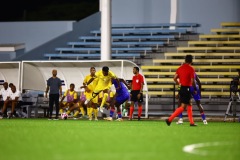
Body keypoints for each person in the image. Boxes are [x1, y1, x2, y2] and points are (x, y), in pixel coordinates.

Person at [165, 54, 197, 126]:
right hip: (187, 89)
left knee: (189, 103)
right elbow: (192, 81)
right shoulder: (191, 69)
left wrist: (179, 85)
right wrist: (194, 89)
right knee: (183, 107)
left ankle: (192, 122)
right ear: (191, 61)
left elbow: (174, 78)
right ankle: (169, 119)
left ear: (185, 60)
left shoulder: (179, 68)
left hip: (181, 88)